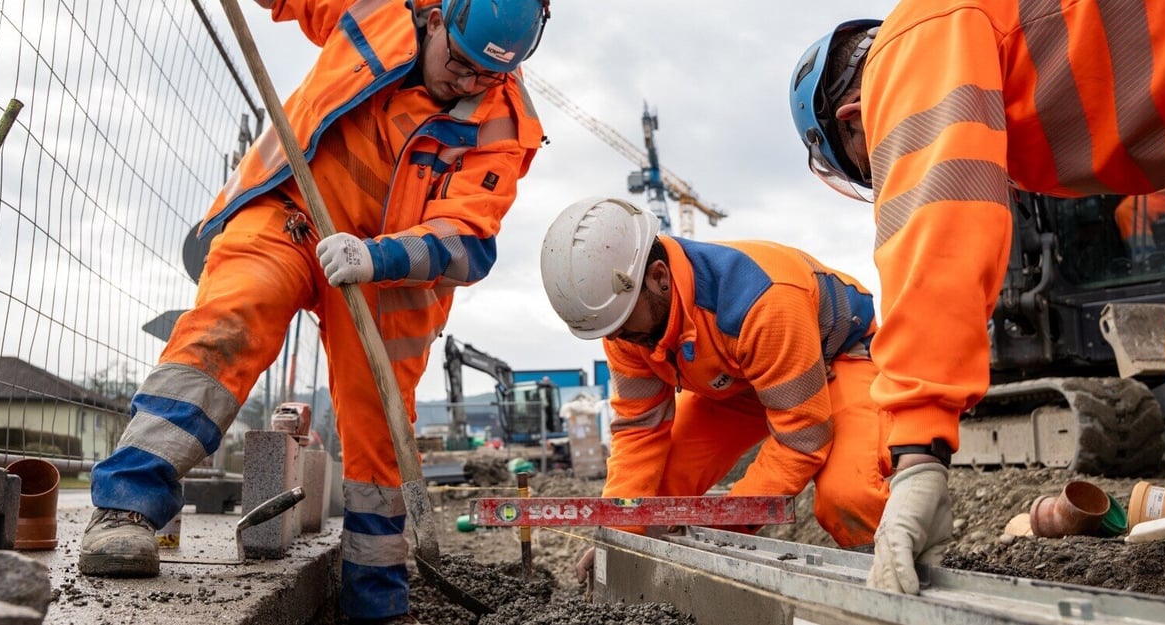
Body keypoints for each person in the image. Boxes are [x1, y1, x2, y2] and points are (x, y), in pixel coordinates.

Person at [789, 2, 1165, 612]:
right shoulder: (972, 35)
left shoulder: (908, 49)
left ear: (857, 119)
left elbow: (935, 237)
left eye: (876, 161)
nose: (890, 166)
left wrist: (916, 456)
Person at [80, 0, 549, 622]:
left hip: (390, 277)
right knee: (234, 318)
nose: (467, 84)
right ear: (436, 19)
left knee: (380, 436)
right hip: (292, 210)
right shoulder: (376, 9)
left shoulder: (506, 124)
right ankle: (127, 506)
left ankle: (376, 601)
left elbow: (469, 243)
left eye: (486, 76)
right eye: (460, 64)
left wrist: (376, 258)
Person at [539, 197, 891, 580]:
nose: (619, 340)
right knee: (654, 498)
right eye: (610, 331)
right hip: (742, 380)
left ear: (659, 277)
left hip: (835, 359)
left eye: (623, 324)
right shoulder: (624, 325)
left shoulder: (760, 301)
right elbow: (638, 431)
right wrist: (617, 537)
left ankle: (888, 584)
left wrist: (726, 527)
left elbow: (802, 439)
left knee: (848, 497)